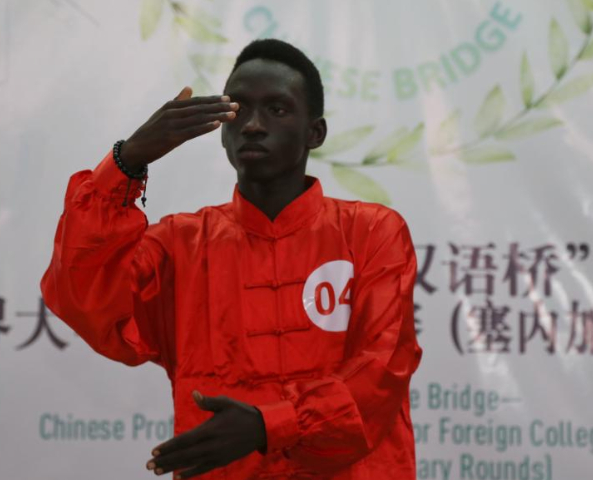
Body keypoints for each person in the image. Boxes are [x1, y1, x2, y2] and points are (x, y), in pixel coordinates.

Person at [40, 38, 422, 479]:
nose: (254, 125)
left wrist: (270, 425)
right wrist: (128, 160)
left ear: (315, 132)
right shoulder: (180, 245)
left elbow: (382, 369)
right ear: (222, 131)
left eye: (277, 109)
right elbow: (81, 294)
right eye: (238, 110)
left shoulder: (372, 232)